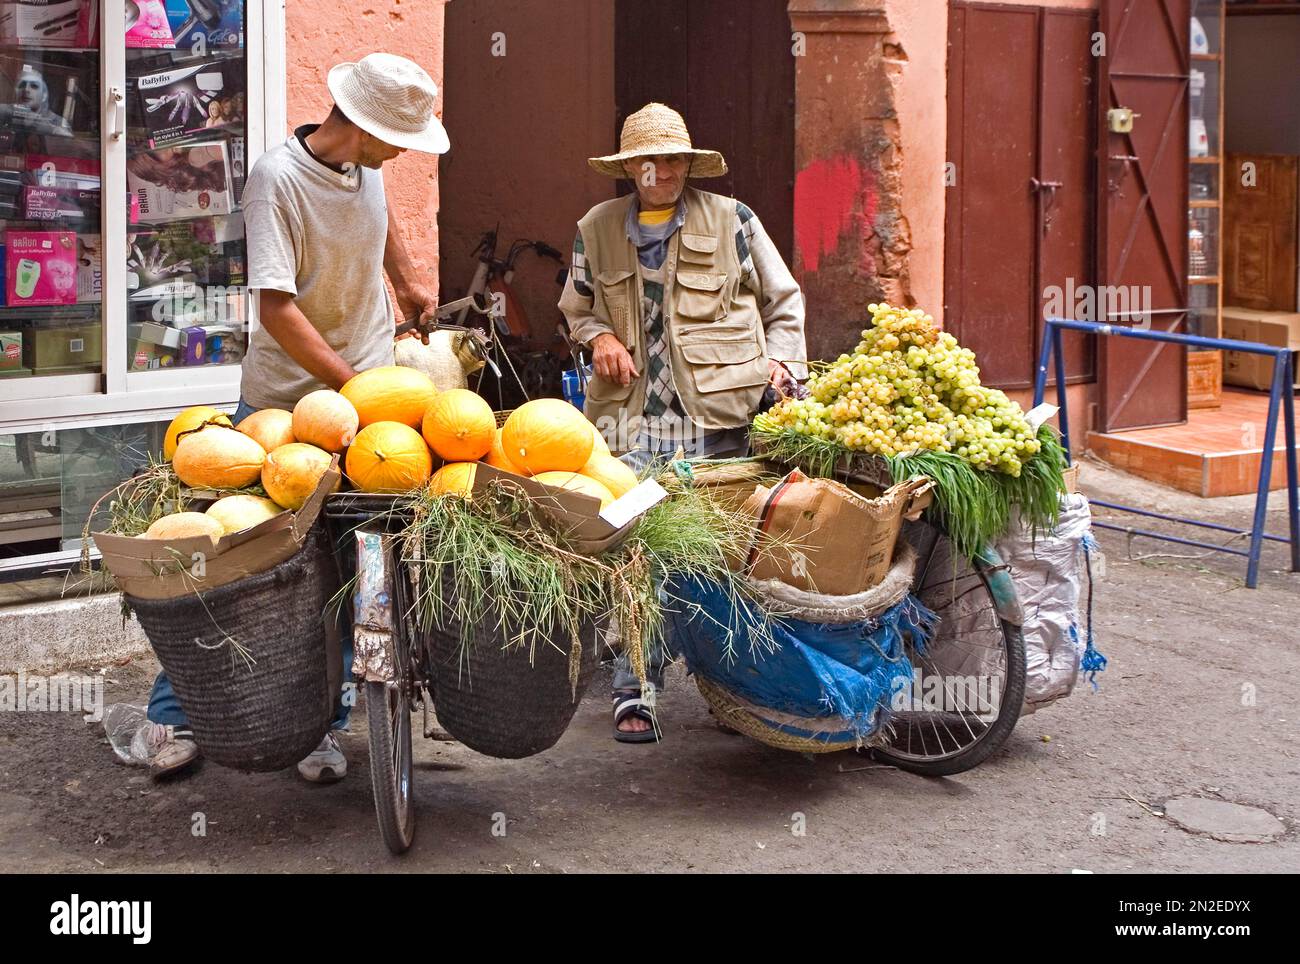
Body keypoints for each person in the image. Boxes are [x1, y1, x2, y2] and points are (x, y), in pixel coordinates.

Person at [103, 52, 450, 781]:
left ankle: (322, 723)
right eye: (402, 136)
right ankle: (175, 718)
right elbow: (277, 308)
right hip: (280, 407)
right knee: (233, 558)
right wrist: (355, 385)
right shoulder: (276, 181)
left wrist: (410, 284)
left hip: (366, 401)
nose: (406, 152)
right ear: (362, 124)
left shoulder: (368, 169)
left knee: (357, 562)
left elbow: (380, 223)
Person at [558, 102, 807, 744]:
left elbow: (784, 302)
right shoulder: (597, 228)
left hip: (722, 417)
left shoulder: (735, 222)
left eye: (672, 159)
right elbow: (576, 310)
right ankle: (635, 686)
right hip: (632, 427)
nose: (660, 170)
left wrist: (783, 363)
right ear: (628, 168)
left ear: (688, 165)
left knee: (731, 554)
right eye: (648, 159)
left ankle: (739, 689)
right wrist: (597, 338)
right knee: (635, 550)